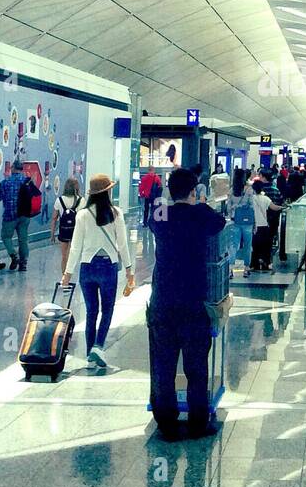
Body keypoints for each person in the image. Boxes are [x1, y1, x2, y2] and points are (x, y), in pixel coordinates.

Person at [146, 168, 226, 441]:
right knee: (196, 366)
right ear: (194, 191)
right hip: (193, 301)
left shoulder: (161, 214)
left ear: (169, 190)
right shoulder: (201, 214)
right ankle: (197, 422)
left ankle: (166, 422)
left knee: (163, 365)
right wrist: (201, 203)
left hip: (163, 300)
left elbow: (153, 219)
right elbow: (220, 222)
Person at [62, 174, 133, 368]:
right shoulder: (115, 213)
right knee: (107, 309)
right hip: (108, 266)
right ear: (107, 191)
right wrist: (129, 269)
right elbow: (122, 245)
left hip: (87, 267)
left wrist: (67, 274)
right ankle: (98, 347)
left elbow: (75, 246)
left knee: (91, 311)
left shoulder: (82, 215)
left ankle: (89, 355)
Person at [0, 159, 31, 272]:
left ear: (12, 168)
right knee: (23, 240)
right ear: (22, 169)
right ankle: (23, 264)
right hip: (25, 215)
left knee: (6, 237)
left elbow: (1, 197)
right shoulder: (27, 182)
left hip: (10, 215)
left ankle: (13, 255)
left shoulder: (4, 183)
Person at [226, 167, 256, 276]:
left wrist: (234, 210)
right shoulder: (249, 190)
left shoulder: (232, 190)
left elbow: (228, 207)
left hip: (235, 220)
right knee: (248, 245)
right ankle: (246, 268)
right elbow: (252, 206)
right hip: (247, 221)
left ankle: (230, 269)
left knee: (234, 245)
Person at [249, 178, 284, 272]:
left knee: (255, 246)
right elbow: (274, 207)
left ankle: (254, 264)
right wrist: (283, 207)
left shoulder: (251, 198)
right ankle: (266, 263)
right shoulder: (265, 198)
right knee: (265, 246)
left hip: (254, 225)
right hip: (264, 224)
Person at [50, 176, 82, 274]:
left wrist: (52, 234)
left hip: (63, 230)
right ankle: (69, 275)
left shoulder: (59, 200)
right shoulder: (81, 200)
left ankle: (64, 277)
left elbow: (54, 218)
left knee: (64, 256)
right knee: (72, 254)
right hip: (75, 231)